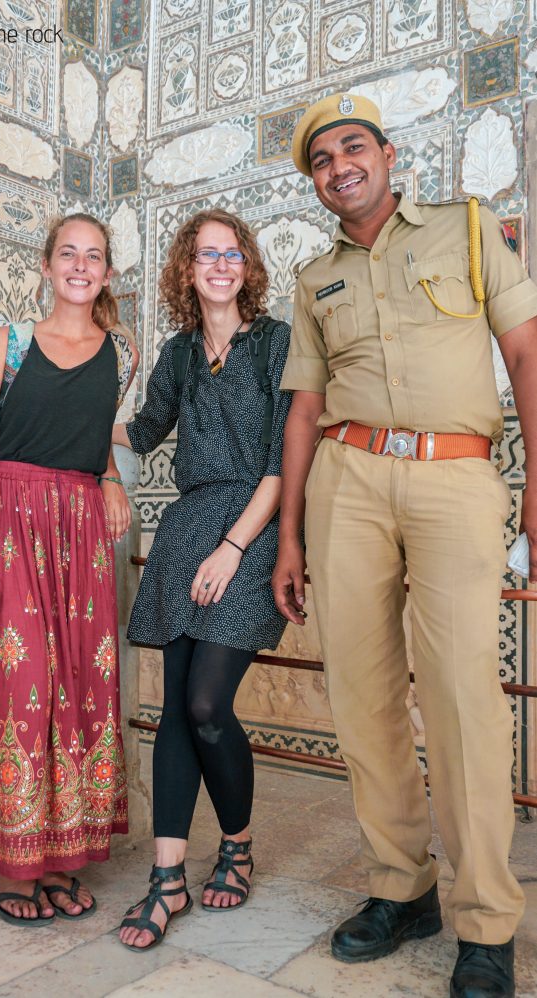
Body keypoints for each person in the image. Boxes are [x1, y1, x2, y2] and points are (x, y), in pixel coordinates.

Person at [272, 92, 537, 998]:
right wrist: (287, 537)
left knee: (464, 695)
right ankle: (402, 886)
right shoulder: (314, 280)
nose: (339, 166)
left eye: (353, 148)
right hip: (344, 486)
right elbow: (304, 408)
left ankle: (485, 920)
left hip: (455, 479)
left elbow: (527, 355)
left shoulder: (468, 230)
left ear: (387, 155)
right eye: (321, 159)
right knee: (361, 694)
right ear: (313, 183)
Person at [0, 212, 139, 925]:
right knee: (18, 680)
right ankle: (13, 864)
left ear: (108, 272)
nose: (80, 266)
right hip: (6, 521)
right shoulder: (10, 342)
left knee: (80, 684)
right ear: (48, 265)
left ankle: (60, 857)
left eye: (94, 256)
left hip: (79, 529)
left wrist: (111, 477)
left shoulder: (124, 350)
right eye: (68, 254)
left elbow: (92, 432)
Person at [112, 208, 291, 950]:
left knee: (208, 702)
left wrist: (233, 547)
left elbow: (286, 461)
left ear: (246, 267)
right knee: (176, 709)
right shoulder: (178, 355)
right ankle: (167, 880)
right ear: (186, 269)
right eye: (205, 255)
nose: (220, 264)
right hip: (187, 532)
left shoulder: (277, 343)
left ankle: (238, 845)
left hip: (252, 524)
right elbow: (142, 431)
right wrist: (54, 399)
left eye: (232, 254)